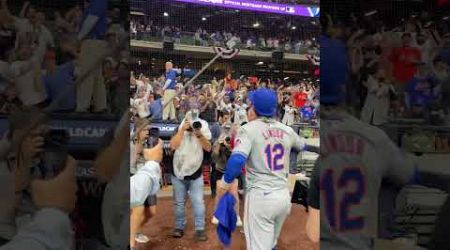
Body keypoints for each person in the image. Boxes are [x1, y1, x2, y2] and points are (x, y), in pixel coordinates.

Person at [216, 88, 319, 250]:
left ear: (255, 108)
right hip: (283, 197)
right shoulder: (287, 130)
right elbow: (304, 145)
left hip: (260, 198)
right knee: (270, 243)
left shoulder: (248, 129)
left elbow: (236, 160)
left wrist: (225, 182)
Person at [169, 106, 212, 242]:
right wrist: (182, 130)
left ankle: (200, 229)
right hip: (178, 173)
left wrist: (197, 133)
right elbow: (173, 146)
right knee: (179, 203)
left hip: (195, 174)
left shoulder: (201, 128)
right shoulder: (179, 128)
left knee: (198, 202)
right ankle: (179, 227)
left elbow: (208, 148)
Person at [75, 0, 108, 113]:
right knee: (97, 76)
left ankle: (82, 107)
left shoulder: (98, 2)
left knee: (86, 75)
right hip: (98, 43)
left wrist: (79, 38)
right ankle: (100, 106)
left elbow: (91, 20)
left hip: (91, 41)